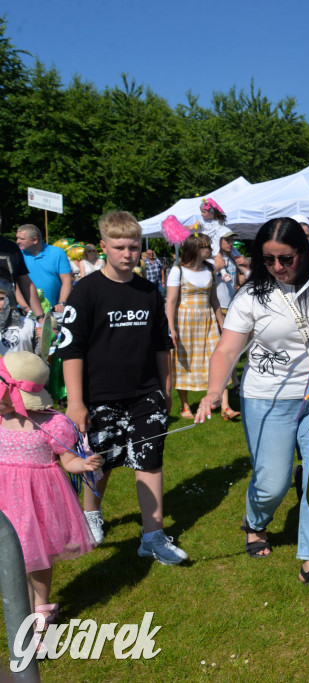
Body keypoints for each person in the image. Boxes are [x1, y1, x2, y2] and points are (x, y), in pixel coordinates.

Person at [195, 217, 309, 589]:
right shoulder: (251, 295)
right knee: (272, 484)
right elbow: (226, 349)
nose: (277, 266)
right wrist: (213, 391)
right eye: (269, 259)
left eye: (286, 258)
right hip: (268, 399)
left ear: (302, 253)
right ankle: (256, 520)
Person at [57, 211, 186, 565]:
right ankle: (91, 516)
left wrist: (166, 390)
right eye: (119, 247)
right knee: (100, 461)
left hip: (146, 394)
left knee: (150, 462)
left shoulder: (148, 292)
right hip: (99, 396)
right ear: (103, 246)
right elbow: (71, 350)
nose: (128, 254)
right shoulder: (85, 292)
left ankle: (153, 537)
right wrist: (76, 402)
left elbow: (162, 346)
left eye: (133, 247)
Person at [0, 352, 102, 634]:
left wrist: (83, 464)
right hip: (5, 499)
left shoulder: (52, 423)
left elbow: (68, 460)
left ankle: (41, 605)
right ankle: (19, 604)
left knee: (38, 553)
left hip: (38, 501)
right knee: (11, 554)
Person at [165, 233, 234, 420]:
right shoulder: (178, 271)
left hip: (207, 320)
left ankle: (225, 406)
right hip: (184, 321)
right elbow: (171, 301)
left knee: (218, 358)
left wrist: (221, 323)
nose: (211, 250)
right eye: (207, 247)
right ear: (195, 249)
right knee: (184, 362)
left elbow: (214, 299)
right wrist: (171, 327)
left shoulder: (210, 269)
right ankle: (185, 406)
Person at [16, 224, 72, 314]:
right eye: (17, 238)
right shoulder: (17, 254)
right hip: (26, 310)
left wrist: (62, 303)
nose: (17, 241)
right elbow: (14, 285)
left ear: (35, 240)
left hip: (54, 309)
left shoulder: (57, 253)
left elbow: (67, 280)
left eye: (21, 239)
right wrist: (26, 308)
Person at [213, 230, 250, 314]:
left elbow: (240, 281)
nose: (231, 243)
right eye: (227, 240)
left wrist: (247, 266)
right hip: (217, 306)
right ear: (218, 240)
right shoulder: (212, 259)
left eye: (232, 240)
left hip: (231, 305)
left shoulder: (233, 259)